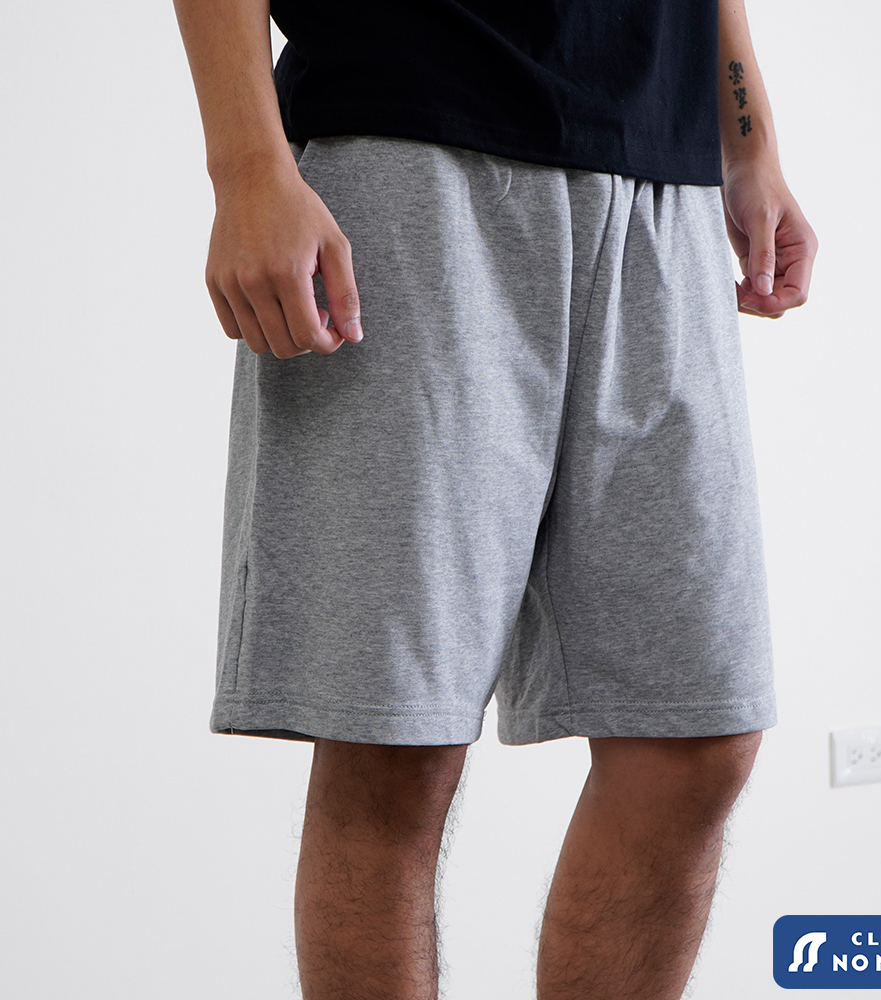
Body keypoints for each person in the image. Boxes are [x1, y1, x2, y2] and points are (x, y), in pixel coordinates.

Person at [172, 0, 817, 997]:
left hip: (664, 176)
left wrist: (749, 141)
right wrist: (246, 166)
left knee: (697, 732)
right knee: (395, 737)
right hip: (407, 137)